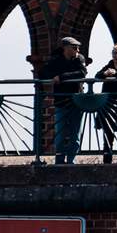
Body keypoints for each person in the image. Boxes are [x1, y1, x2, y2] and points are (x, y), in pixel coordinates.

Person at [38, 36, 90, 164]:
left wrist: (61, 77)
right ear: (65, 48)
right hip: (61, 101)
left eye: (78, 47)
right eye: (74, 47)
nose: (77, 50)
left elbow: (82, 73)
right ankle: (59, 160)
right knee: (60, 134)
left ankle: (72, 160)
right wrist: (53, 76)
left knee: (75, 134)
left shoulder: (79, 58)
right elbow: (43, 72)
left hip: (76, 102)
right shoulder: (56, 59)